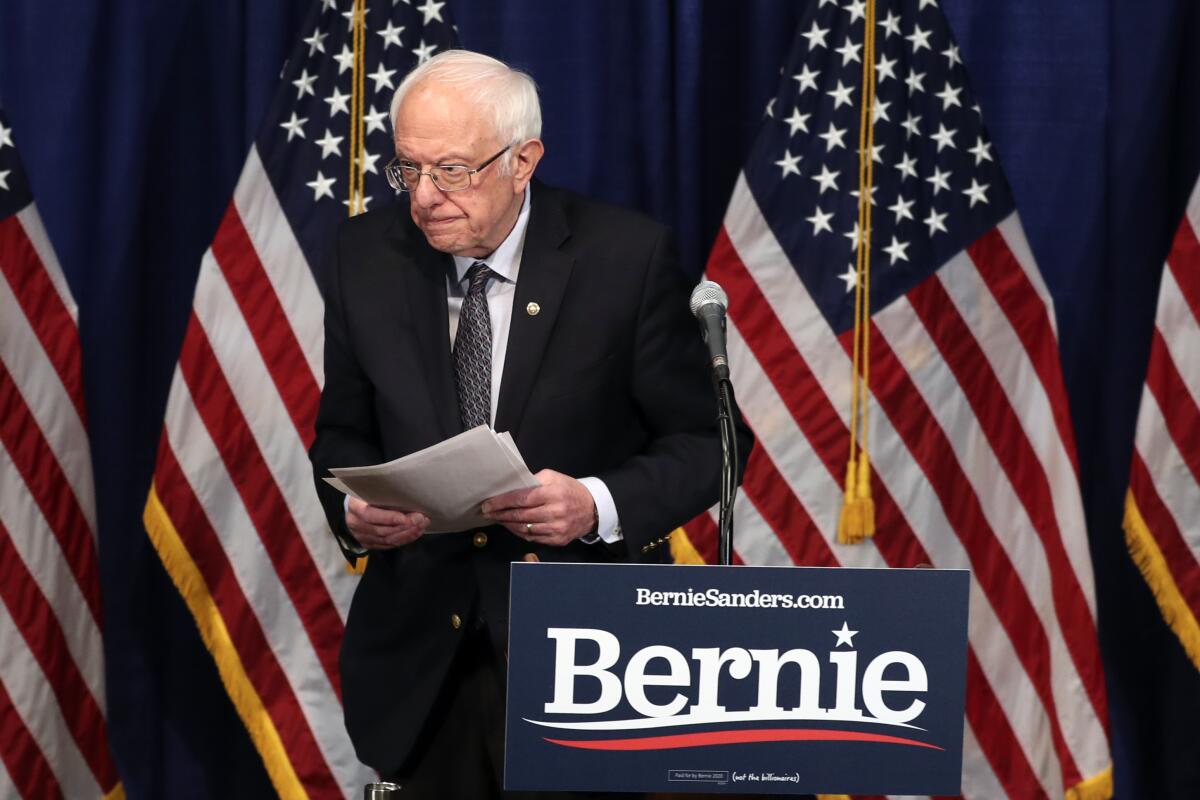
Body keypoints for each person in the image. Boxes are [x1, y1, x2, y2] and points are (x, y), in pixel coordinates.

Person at [310, 49, 751, 798]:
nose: (423, 197)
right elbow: (343, 431)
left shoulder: (624, 257)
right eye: (407, 169)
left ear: (523, 160)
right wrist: (354, 512)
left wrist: (595, 504)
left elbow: (712, 444)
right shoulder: (367, 256)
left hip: (593, 659)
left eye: (451, 170)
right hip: (424, 662)